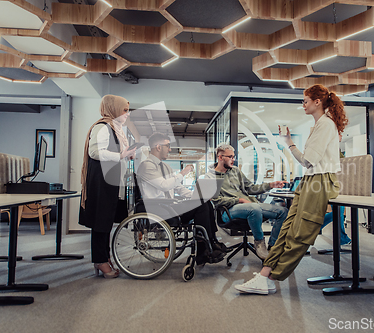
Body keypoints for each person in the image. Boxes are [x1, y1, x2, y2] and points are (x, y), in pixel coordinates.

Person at [235, 84, 347, 294]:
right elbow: (309, 163)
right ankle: (264, 275)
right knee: (287, 229)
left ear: (317, 102)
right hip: (311, 180)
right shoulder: (319, 126)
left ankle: (271, 276)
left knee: (299, 234)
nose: (302, 105)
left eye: (305, 101)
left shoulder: (326, 125)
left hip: (319, 181)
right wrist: (289, 143)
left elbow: (308, 161)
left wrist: (289, 143)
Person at [136, 132, 226, 265]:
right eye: (167, 146)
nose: (170, 149)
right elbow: (165, 186)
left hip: (169, 207)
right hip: (158, 210)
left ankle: (211, 242)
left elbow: (178, 188)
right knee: (201, 206)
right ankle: (204, 249)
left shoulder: (165, 166)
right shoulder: (146, 166)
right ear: (158, 147)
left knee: (204, 203)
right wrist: (183, 173)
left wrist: (199, 196)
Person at [79, 95, 136, 278]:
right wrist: (121, 155)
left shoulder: (115, 128)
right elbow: (95, 152)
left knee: (105, 222)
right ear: (113, 109)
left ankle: (103, 258)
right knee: (100, 222)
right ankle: (100, 261)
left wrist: (126, 154)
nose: (127, 113)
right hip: (101, 181)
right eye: (124, 110)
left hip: (108, 181)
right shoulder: (102, 127)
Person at [205, 143, 288, 259]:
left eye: (234, 157)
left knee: (283, 211)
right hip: (228, 211)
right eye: (230, 157)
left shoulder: (235, 171)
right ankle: (259, 242)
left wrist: (270, 185)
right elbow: (216, 201)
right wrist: (239, 200)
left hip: (250, 205)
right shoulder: (210, 177)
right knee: (254, 208)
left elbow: (251, 188)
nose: (233, 160)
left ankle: (273, 247)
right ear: (220, 157)